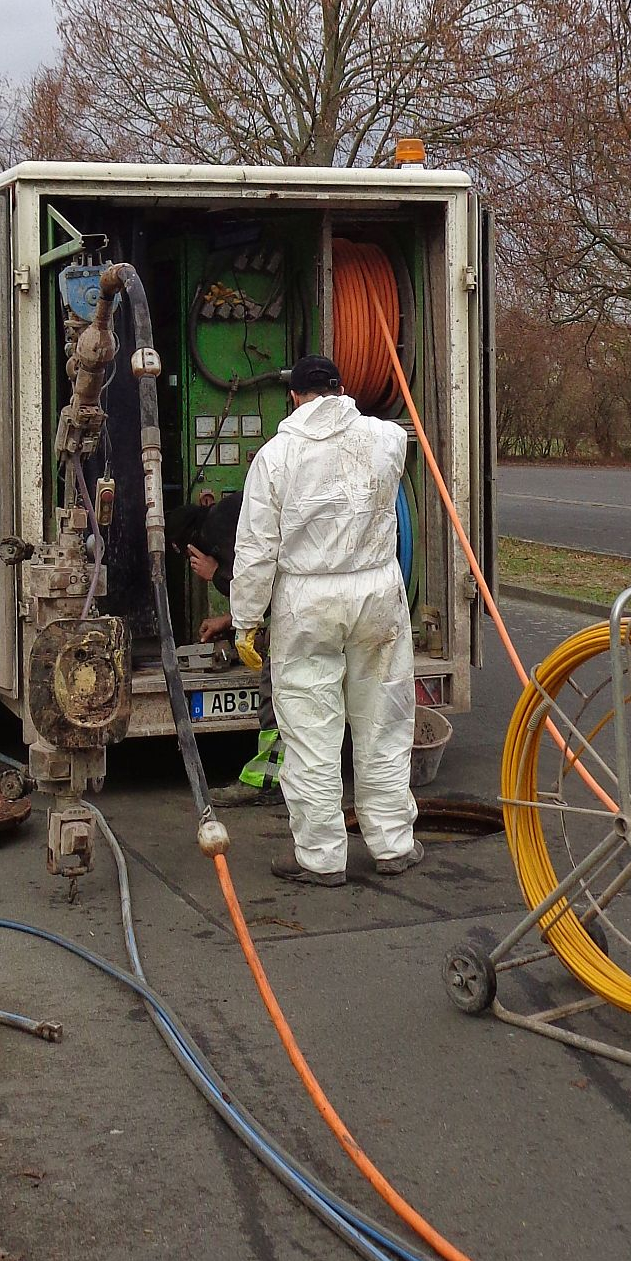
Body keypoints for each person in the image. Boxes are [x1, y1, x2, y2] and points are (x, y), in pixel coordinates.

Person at [228, 354, 420, 888]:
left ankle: (320, 856)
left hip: (307, 600)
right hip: (378, 592)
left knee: (311, 729)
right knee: (383, 720)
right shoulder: (385, 440)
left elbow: (256, 550)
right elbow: (397, 448)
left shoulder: (276, 457)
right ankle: (392, 843)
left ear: (295, 396)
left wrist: (245, 621)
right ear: (341, 388)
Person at [178, 488, 244, 641]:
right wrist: (229, 619)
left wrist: (217, 575)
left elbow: (262, 590)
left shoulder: (216, 530)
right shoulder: (226, 511)